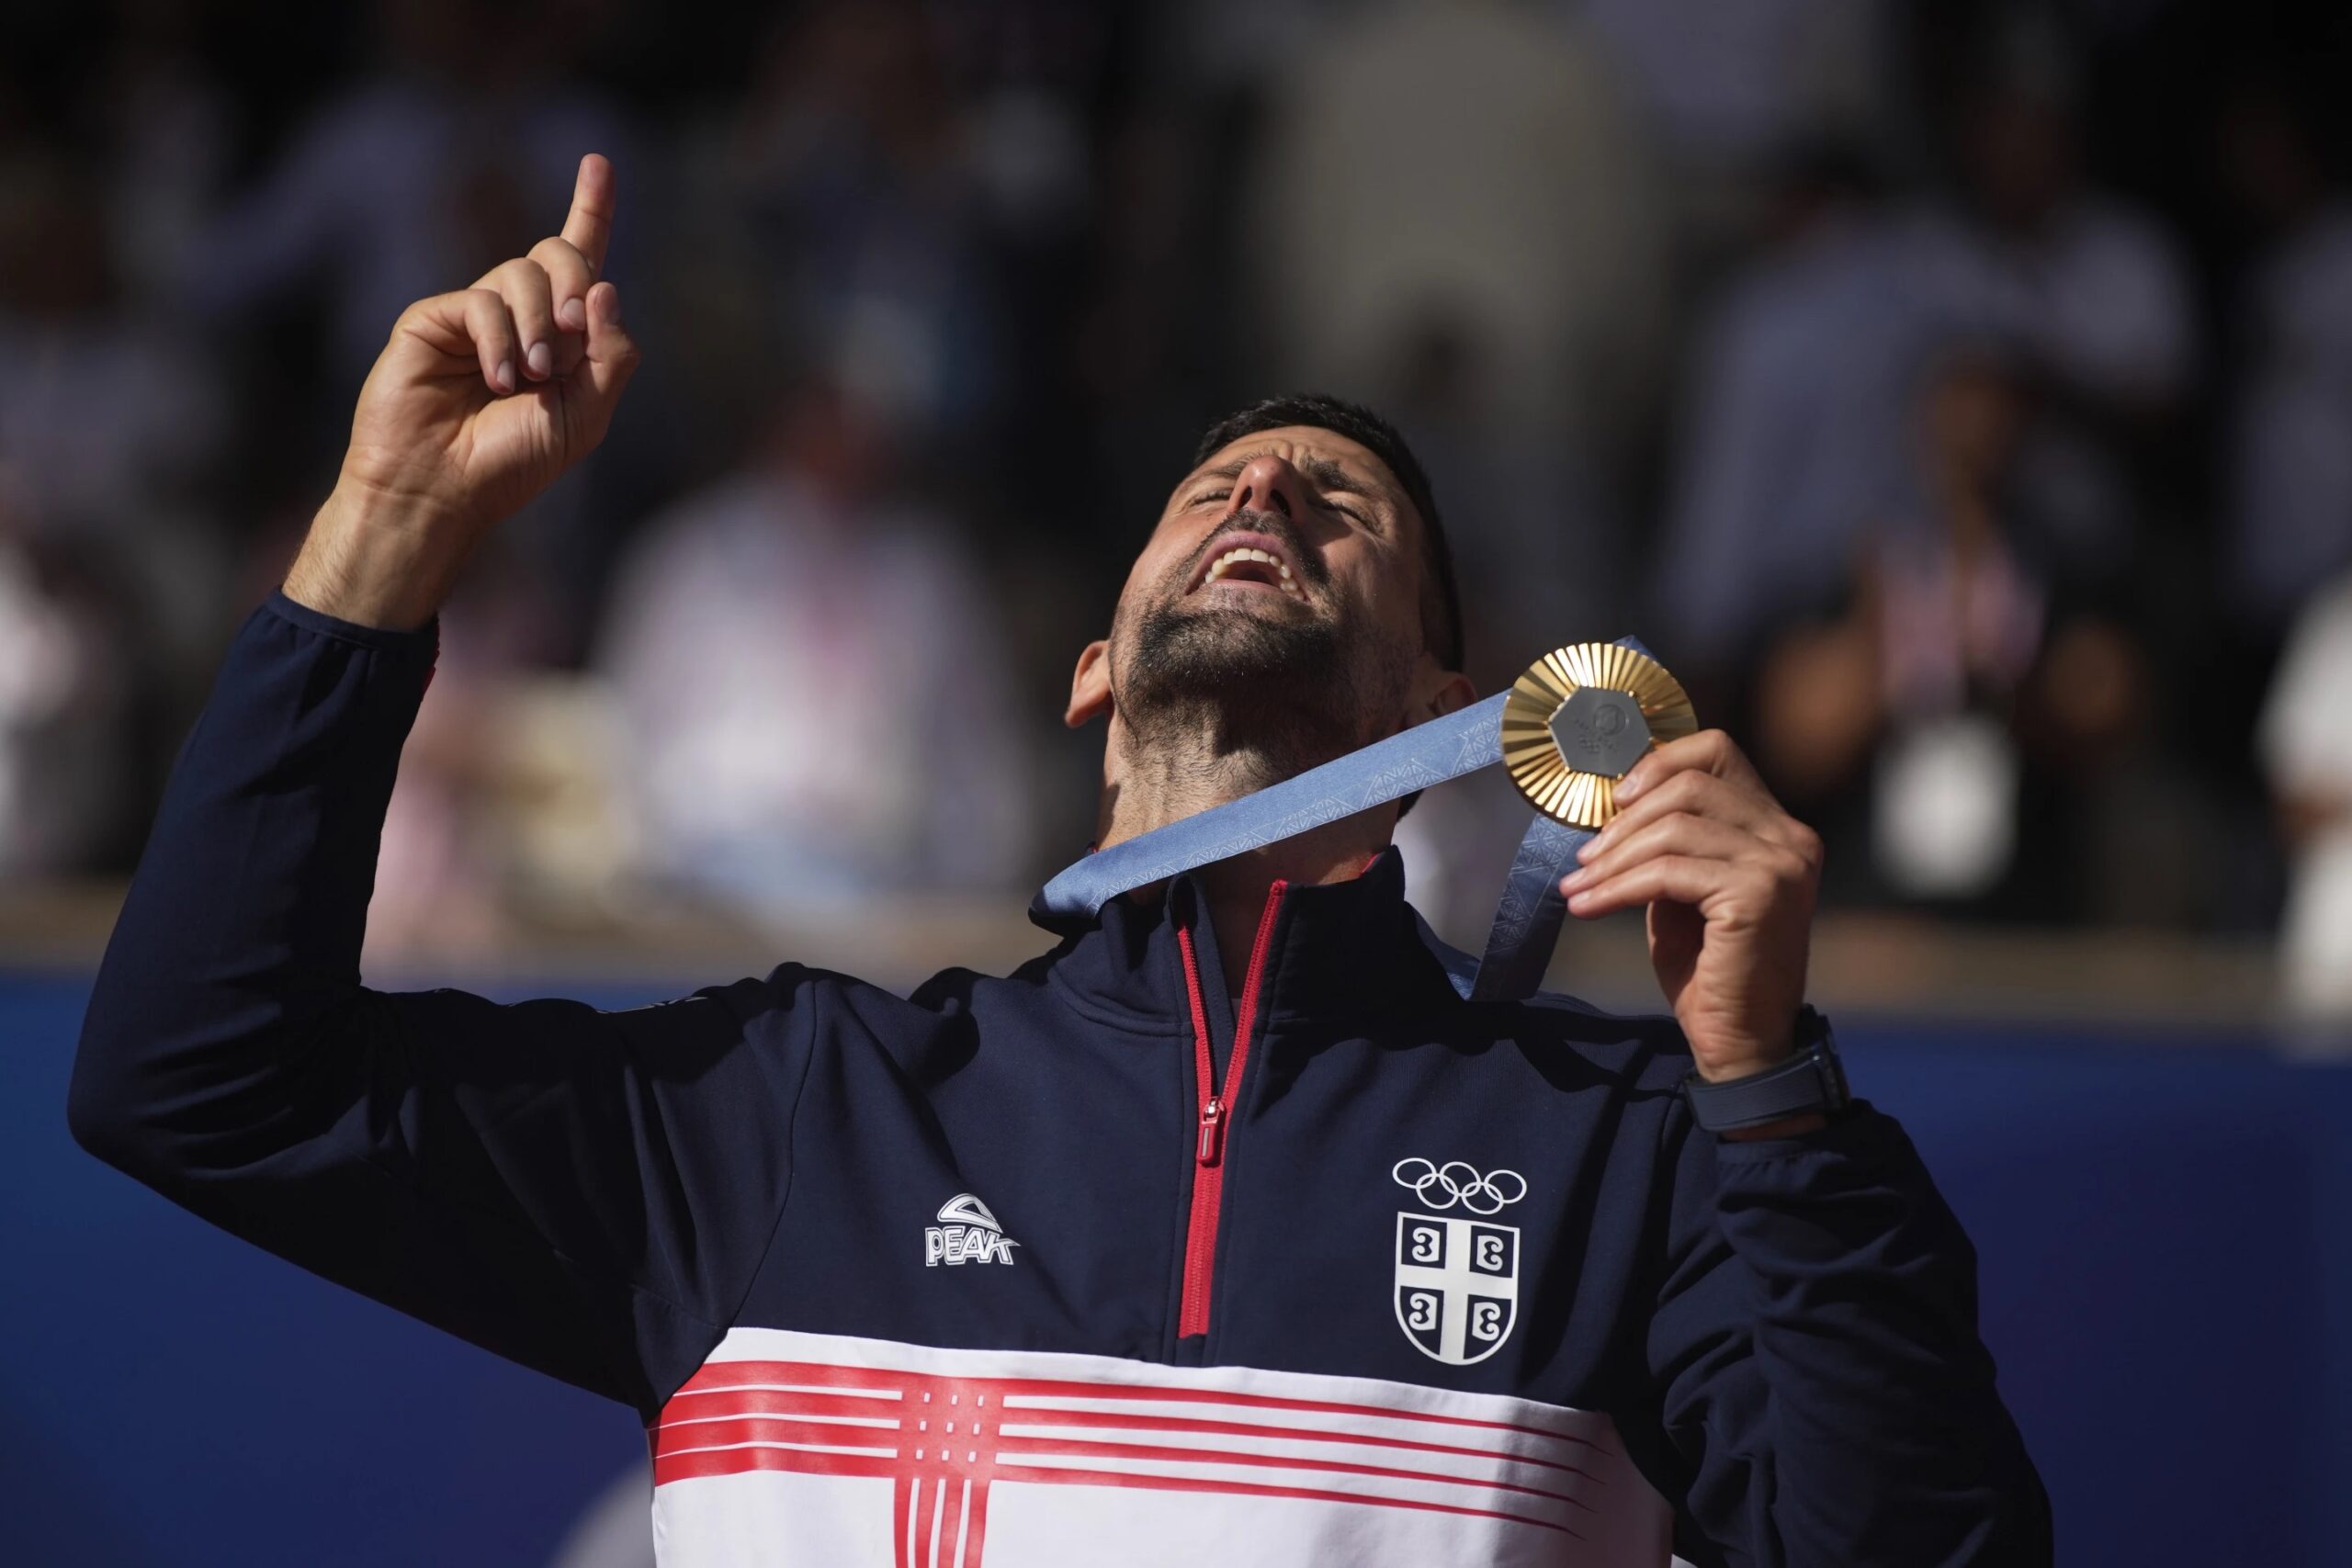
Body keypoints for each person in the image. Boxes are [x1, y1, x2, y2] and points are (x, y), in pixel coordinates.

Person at [70, 155, 2049, 1566]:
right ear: (1092, 670)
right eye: (1211, 487)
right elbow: (199, 1083)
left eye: (1339, 505)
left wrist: (1770, 1094)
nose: (1263, 486)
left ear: (1458, 696)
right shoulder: (796, 1108)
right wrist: (376, 544)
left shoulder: (1624, 1146)